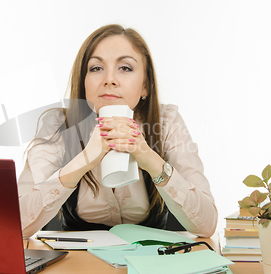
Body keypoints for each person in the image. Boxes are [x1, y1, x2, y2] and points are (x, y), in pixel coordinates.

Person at [18, 24, 217, 239]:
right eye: (96, 68)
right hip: (77, 264)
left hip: (149, 263)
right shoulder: (58, 124)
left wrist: (148, 158)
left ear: (145, 86)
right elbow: (15, 226)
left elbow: (207, 226)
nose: (109, 79)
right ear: (83, 80)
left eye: (125, 68)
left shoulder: (166, 122)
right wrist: (83, 160)